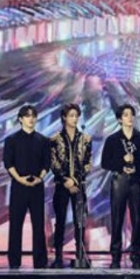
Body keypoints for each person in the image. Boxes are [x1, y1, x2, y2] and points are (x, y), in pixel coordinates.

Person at [101, 103, 140, 269]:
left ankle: (136, 255)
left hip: (136, 182)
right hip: (119, 181)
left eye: (131, 114)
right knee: (117, 219)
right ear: (119, 119)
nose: (130, 117)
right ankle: (115, 256)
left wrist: (138, 168)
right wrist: (121, 163)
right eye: (125, 115)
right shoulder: (112, 140)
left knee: (137, 219)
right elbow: (105, 163)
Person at [3, 104, 51, 269]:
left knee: (38, 225)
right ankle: (14, 261)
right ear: (20, 119)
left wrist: (40, 178)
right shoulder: (11, 140)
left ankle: (40, 261)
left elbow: (47, 163)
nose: (31, 119)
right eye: (27, 116)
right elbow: (8, 163)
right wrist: (19, 179)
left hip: (37, 187)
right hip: (18, 187)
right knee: (16, 225)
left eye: (33, 116)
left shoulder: (43, 140)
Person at [50, 103, 92, 268]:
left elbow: (87, 163)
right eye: (71, 116)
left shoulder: (85, 139)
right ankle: (58, 257)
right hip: (61, 186)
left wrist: (75, 180)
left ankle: (80, 255)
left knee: (79, 222)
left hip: (79, 186)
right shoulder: (55, 139)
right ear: (64, 118)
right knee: (60, 221)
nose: (75, 119)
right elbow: (54, 163)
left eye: (76, 116)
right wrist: (65, 180)